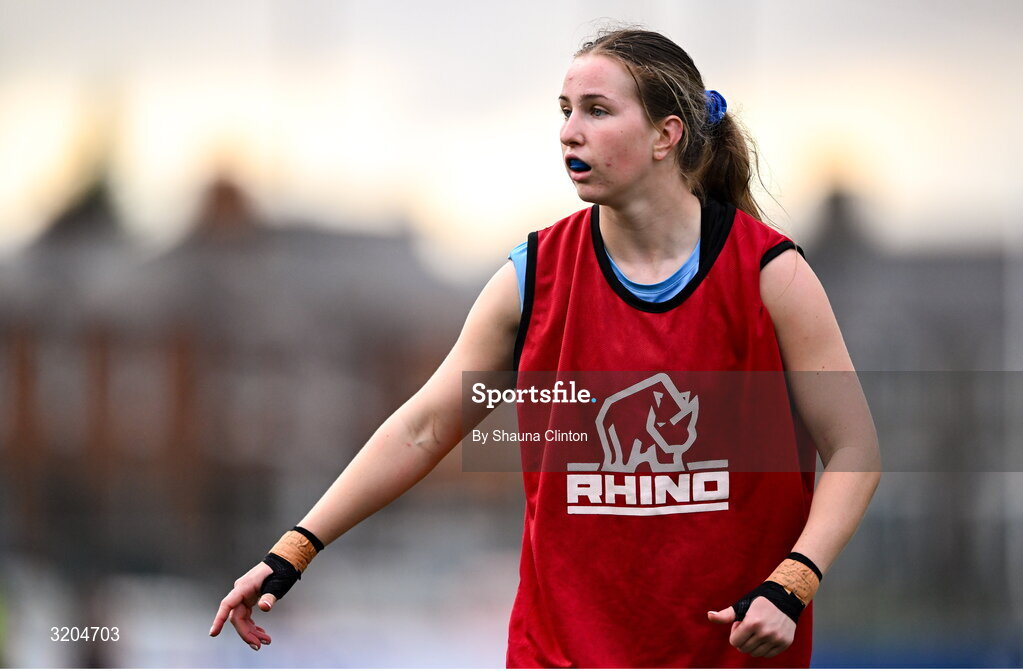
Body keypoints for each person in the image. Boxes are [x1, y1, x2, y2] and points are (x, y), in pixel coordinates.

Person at [210, 28, 880, 668]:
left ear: (664, 135)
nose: (568, 131)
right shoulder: (531, 278)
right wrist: (290, 552)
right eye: (563, 111)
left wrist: (791, 582)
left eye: (595, 110)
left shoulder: (769, 274)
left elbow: (855, 449)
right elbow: (422, 428)